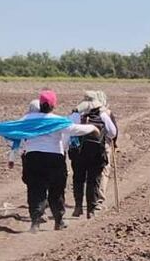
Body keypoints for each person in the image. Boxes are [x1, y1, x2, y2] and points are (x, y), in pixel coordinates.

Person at [9, 90, 99, 232]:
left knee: (35, 189)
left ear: (40, 103)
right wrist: (92, 128)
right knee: (56, 190)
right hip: (54, 158)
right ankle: (59, 220)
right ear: (53, 105)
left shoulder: (27, 119)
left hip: (33, 157)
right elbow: (75, 129)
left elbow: (12, 128)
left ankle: (35, 222)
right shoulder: (57, 121)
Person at [72, 92, 117, 218]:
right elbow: (113, 133)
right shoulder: (102, 115)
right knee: (93, 180)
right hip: (97, 152)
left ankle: (78, 206)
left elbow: (68, 131)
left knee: (78, 179)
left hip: (79, 153)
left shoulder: (76, 115)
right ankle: (91, 209)